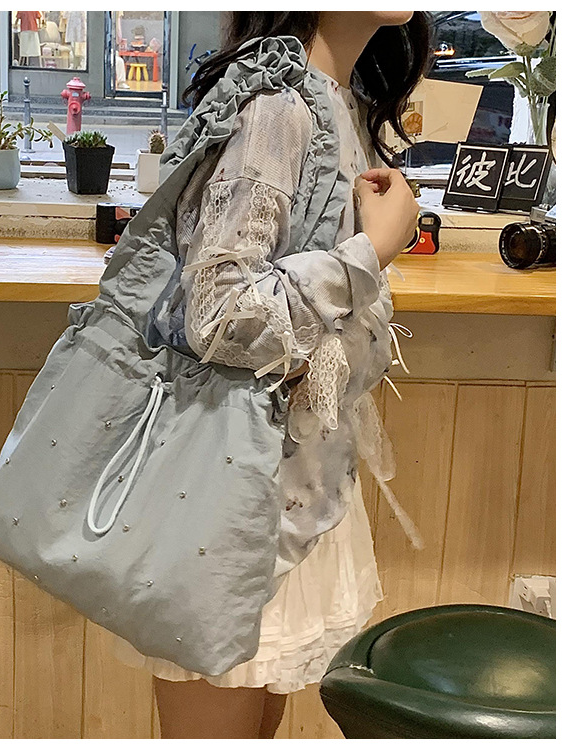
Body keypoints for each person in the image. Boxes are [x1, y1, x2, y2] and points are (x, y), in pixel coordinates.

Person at [110, 11, 431, 738]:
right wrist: (369, 253)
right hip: (232, 495)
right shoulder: (276, 105)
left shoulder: (338, 101)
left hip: (290, 484)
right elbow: (218, 312)